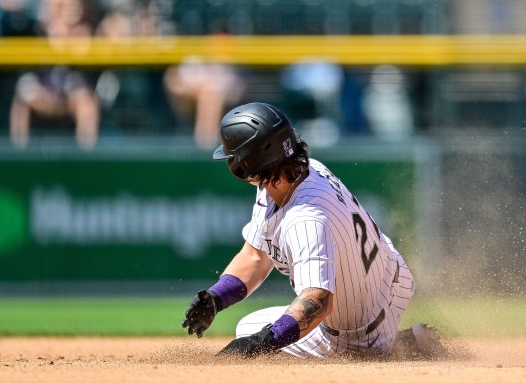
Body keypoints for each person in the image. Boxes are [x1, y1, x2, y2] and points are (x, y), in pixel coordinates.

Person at [182, 102, 444, 360]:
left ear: (245, 165)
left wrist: (263, 343)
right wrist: (216, 297)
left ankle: (395, 346)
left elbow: (318, 301)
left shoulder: (305, 218)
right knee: (254, 326)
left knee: (256, 335)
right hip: (391, 282)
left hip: (360, 333)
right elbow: (255, 256)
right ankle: (393, 340)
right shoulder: (299, 173)